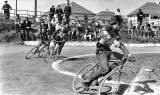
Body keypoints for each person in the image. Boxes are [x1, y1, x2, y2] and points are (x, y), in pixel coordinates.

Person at [81, 15, 135, 90]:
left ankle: (106, 73)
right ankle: (87, 81)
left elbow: (121, 45)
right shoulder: (107, 27)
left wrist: (128, 54)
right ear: (117, 23)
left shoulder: (116, 33)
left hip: (109, 52)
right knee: (105, 69)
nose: (122, 26)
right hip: (101, 52)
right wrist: (114, 41)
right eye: (121, 24)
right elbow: (106, 34)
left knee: (123, 58)